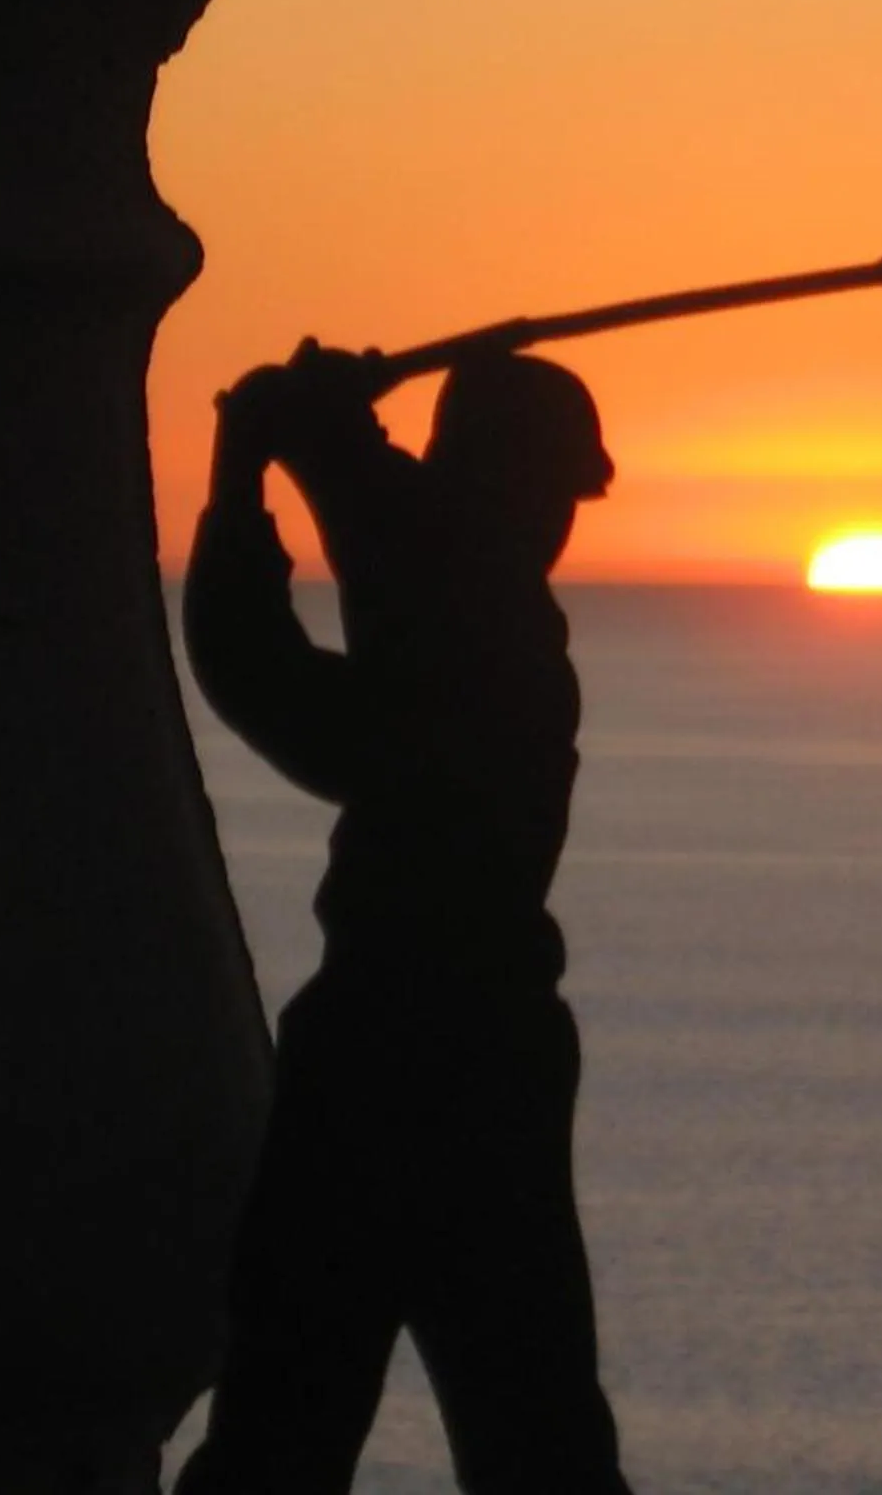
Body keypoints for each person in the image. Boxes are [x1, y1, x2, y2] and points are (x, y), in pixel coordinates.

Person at [175, 341, 631, 1495]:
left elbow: (392, 564)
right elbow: (287, 670)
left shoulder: (497, 638)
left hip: (402, 1061)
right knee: (471, 1435)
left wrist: (311, 442)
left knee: (305, 1426)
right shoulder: (479, 627)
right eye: (541, 489)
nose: (553, 521)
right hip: (453, 1067)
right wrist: (280, 462)